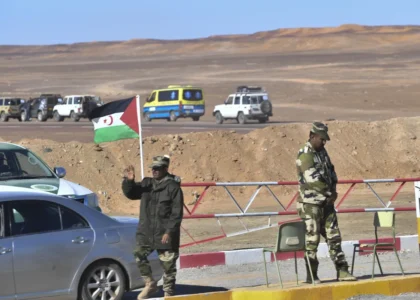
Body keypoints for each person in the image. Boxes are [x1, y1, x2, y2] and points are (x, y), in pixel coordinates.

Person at [296, 122, 357, 283]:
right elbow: (312, 180)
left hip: (327, 204)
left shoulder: (322, 152)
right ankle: (312, 274)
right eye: (321, 139)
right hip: (311, 205)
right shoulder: (305, 154)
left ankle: (342, 271)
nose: (323, 142)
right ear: (312, 136)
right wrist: (330, 192)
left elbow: (331, 172)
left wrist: (333, 191)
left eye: (325, 140)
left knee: (334, 237)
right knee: (312, 240)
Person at [122, 156, 184, 299]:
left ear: (165, 169)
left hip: (164, 233)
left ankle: (169, 293)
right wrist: (129, 181)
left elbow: (177, 213)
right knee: (139, 254)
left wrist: (169, 231)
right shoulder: (147, 183)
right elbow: (131, 194)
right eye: (153, 168)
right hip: (147, 231)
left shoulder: (173, 188)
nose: (154, 171)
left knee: (168, 266)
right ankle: (150, 284)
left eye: (157, 168)